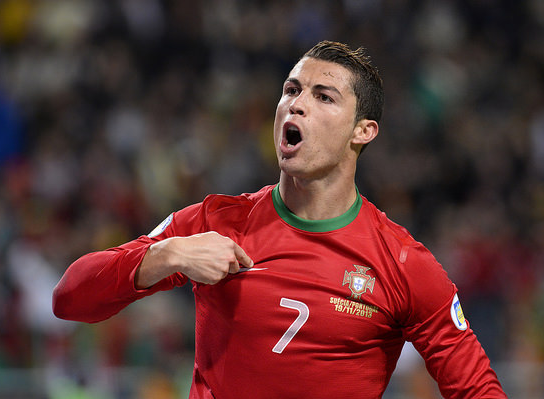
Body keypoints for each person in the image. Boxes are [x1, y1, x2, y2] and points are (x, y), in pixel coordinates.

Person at [53, 40, 507, 398]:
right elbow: (69, 298)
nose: (297, 104)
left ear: (363, 131)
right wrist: (166, 253)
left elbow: (476, 389)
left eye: (323, 96)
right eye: (291, 90)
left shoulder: (403, 264)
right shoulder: (216, 221)